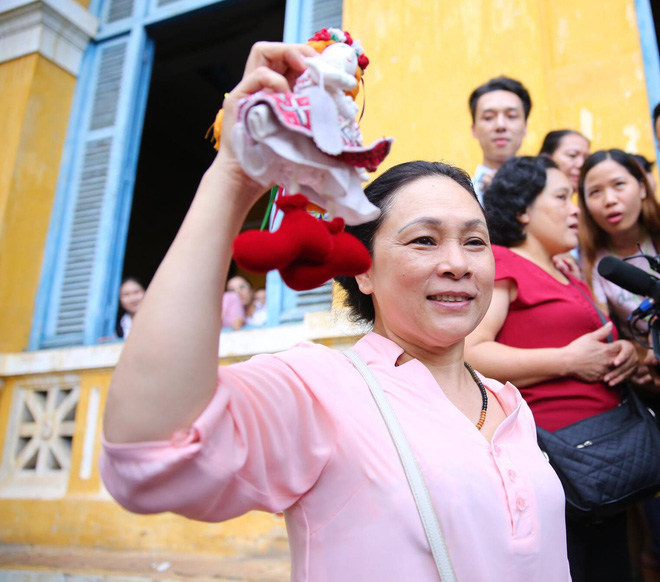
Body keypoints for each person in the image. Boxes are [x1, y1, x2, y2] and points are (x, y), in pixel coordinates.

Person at [98, 42, 571, 582]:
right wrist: (232, 177)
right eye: (423, 240)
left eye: (476, 242)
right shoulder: (322, 386)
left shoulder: (507, 401)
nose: (457, 263)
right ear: (363, 268)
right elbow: (149, 452)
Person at [464, 155, 638, 582]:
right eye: (561, 197)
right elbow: (471, 350)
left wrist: (626, 352)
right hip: (560, 459)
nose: (576, 208)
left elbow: (595, 339)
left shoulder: (567, 271)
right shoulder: (503, 263)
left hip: (605, 453)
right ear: (523, 209)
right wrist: (567, 360)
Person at [578, 149, 660, 579]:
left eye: (619, 185)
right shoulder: (590, 263)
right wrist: (641, 356)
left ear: (643, 186)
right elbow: (605, 331)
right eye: (594, 192)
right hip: (648, 398)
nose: (608, 199)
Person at [468, 75, 531, 201]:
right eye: (488, 117)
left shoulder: (544, 191)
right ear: (474, 129)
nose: (500, 125)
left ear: (525, 127)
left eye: (511, 116)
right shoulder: (463, 194)